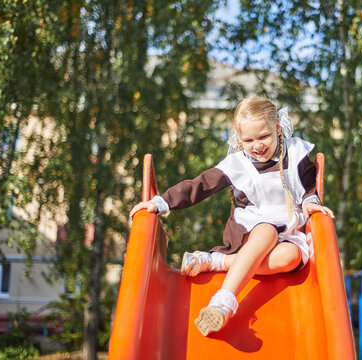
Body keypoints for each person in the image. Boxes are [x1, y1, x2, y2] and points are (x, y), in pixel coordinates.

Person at [129, 97, 334, 336]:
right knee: (266, 231)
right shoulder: (238, 165)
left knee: (292, 258)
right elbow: (199, 186)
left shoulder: (296, 152)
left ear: (277, 126)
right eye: (248, 140)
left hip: (288, 231)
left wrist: (310, 202)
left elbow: (309, 186)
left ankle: (215, 261)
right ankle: (223, 302)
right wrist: (161, 202)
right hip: (252, 229)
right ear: (239, 138)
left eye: (264, 136)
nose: (257, 145)